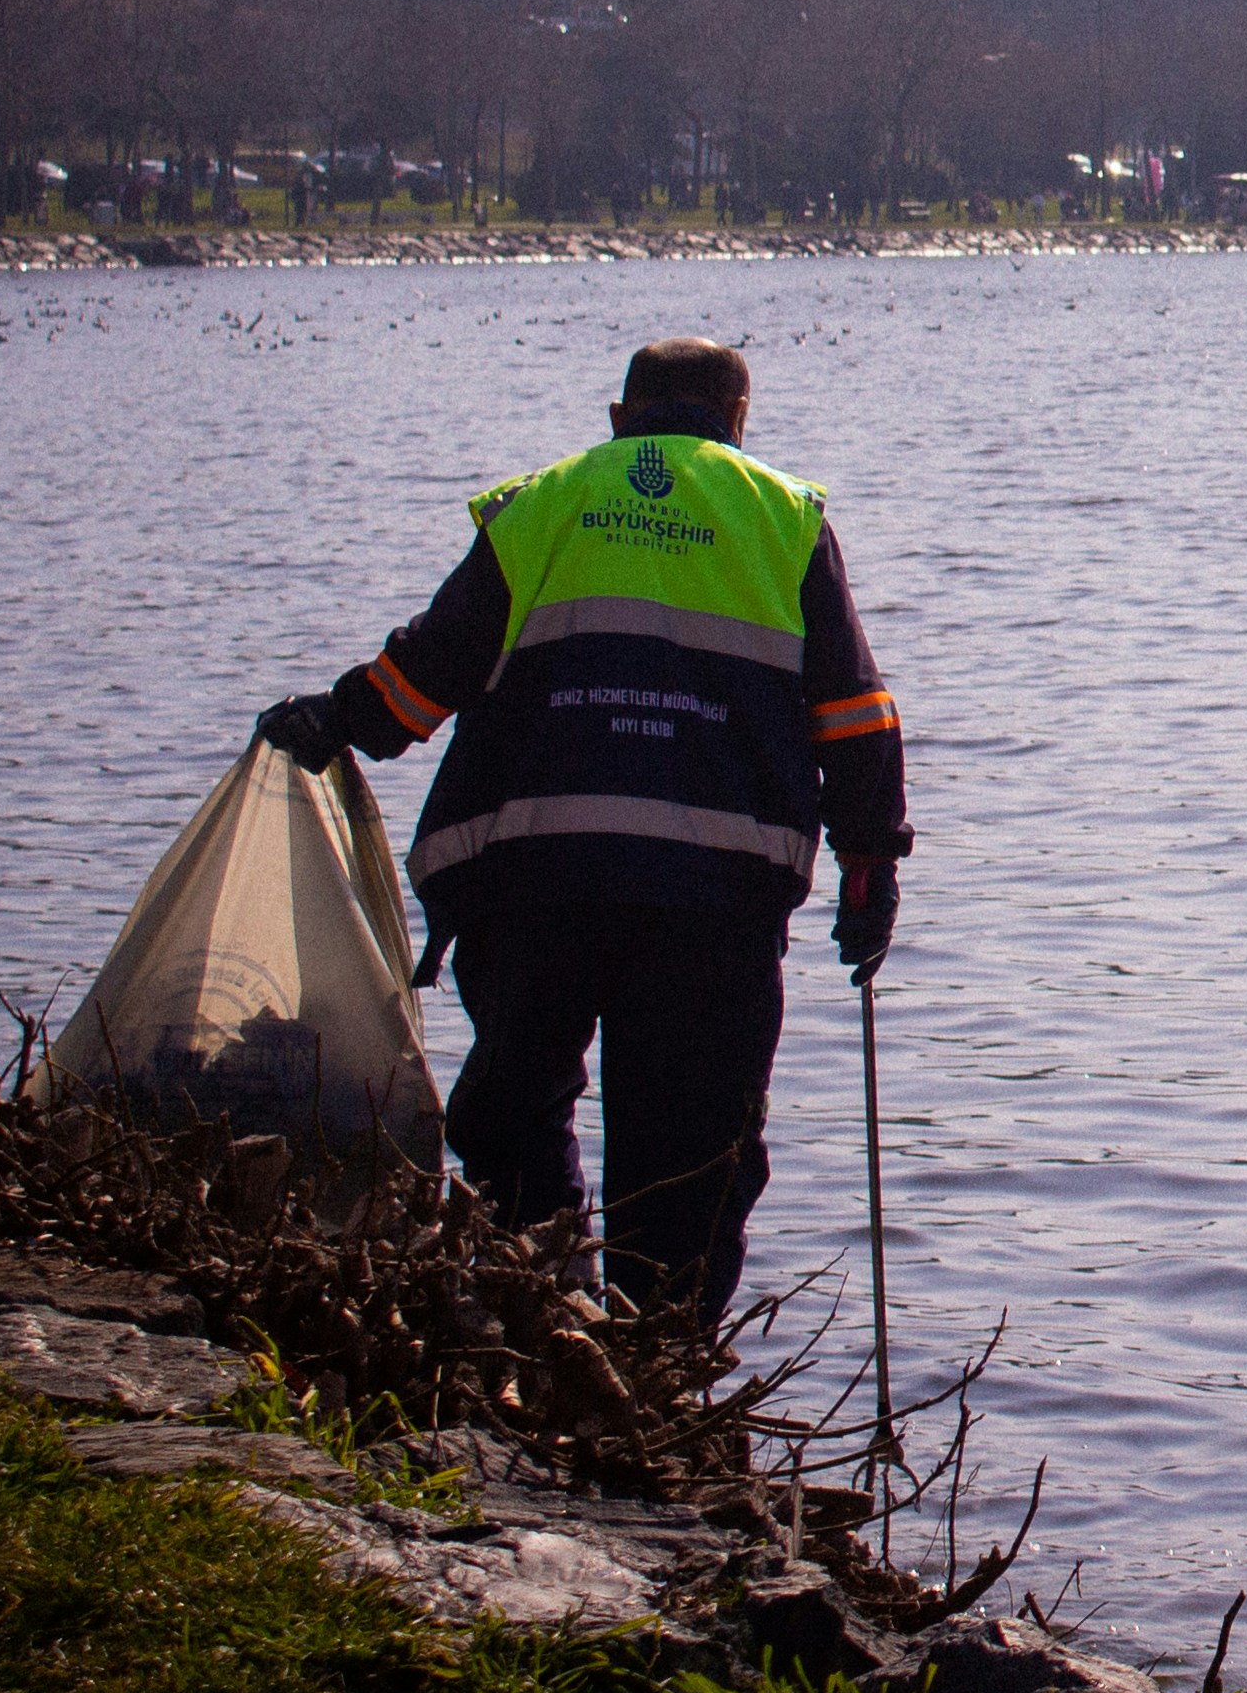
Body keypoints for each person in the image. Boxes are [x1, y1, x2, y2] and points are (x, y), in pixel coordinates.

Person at [251, 336, 910, 1321]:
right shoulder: (784, 518)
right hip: (711, 908)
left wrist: (330, 718)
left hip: (531, 887)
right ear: (736, 426)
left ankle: (539, 1304)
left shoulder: (540, 505)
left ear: (617, 418)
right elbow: (853, 718)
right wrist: (868, 873)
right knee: (688, 1149)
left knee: (515, 1108)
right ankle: (659, 1356)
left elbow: (419, 683)